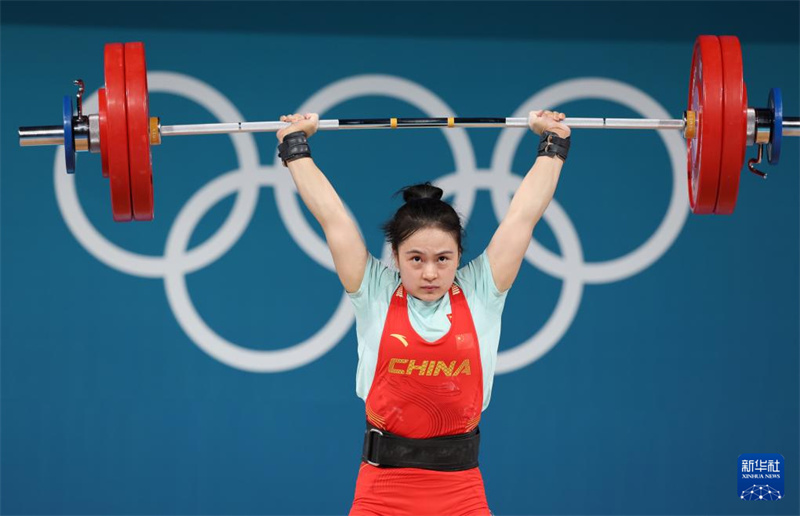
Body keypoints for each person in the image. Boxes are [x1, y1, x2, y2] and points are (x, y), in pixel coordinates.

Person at [276, 110, 571, 516]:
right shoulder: (374, 291)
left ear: (459, 257)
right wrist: (295, 146)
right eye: (416, 259)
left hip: (461, 494)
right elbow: (333, 219)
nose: (430, 273)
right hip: (381, 492)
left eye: (443, 259)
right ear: (394, 257)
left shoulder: (481, 291)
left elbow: (524, 214)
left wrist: (552, 145)